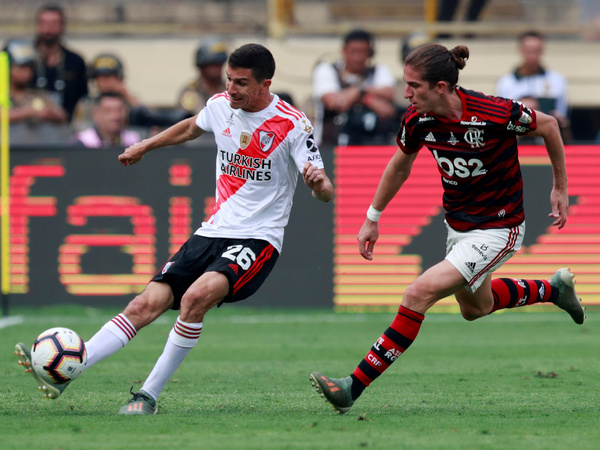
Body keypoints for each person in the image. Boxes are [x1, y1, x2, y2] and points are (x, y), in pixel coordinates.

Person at [16, 43, 333, 414]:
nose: (231, 88)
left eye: (241, 83)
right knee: (144, 304)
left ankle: (147, 396)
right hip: (212, 231)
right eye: (229, 79)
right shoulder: (220, 105)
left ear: (266, 84)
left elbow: (326, 190)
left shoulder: (292, 124)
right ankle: (70, 370)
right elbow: (190, 127)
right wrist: (146, 146)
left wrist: (317, 183)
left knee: (195, 298)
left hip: (258, 237)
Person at [309, 43, 584, 415]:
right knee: (476, 308)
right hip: (458, 226)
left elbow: (549, 125)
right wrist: (373, 216)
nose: (406, 93)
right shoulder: (418, 118)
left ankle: (351, 388)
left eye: (414, 85)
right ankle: (553, 289)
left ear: (441, 87)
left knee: (417, 293)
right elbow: (399, 165)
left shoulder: (494, 112)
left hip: (499, 226)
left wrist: (560, 188)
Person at [312, 29, 401, 146]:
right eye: (353, 52)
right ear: (344, 51)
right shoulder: (327, 69)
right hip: (331, 146)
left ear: (370, 53)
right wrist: (367, 97)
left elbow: (390, 93)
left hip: (371, 144)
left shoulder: (379, 70)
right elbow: (333, 102)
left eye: (363, 52)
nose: (358, 58)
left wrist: (354, 95)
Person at [495, 31, 571, 141]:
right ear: (521, 50)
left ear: (542, 51)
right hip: (514, 142)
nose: (532, 55)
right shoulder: (506, 83)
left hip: (546, 142)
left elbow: (562, 116)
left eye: (536, 51)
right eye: (529, 50)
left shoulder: (557, 80)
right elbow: (500, 118)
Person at [30, 3, 88, 122]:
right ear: (37, 25)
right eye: (44, 23)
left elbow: (83, 99)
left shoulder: (75, 62)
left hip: (66, 129)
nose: (49, 29)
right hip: (28, 129)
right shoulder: (25, 60)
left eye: (54, 24)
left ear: (62, 26)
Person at [72, 53, 143, 132]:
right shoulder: (87, 103)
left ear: (119, 79)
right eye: (100, 78)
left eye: (109, 77)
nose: (105, 82)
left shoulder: (127, 101)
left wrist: (126, 94)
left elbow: (145, 119)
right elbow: (78, 127)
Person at [5, 39, 67, 126]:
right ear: (8, 67)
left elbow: (62, 115)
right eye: (21, 67)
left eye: (30, 67)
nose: (26, 72)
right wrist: (31, 112)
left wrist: (51, 114)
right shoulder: (3, 95)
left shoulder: (38, 95)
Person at [71, 92, 141, 148]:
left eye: (119, 110)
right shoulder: (84, 142)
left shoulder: (133, 141)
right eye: (108, 111)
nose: (116, 116)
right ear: (96, 114)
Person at [177, 37, 228, 115]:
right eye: (213, 65)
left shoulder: (229, 89)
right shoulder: (191, 92)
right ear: (202, 66)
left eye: (219, 64)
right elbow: (197, 118)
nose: (217, 69)